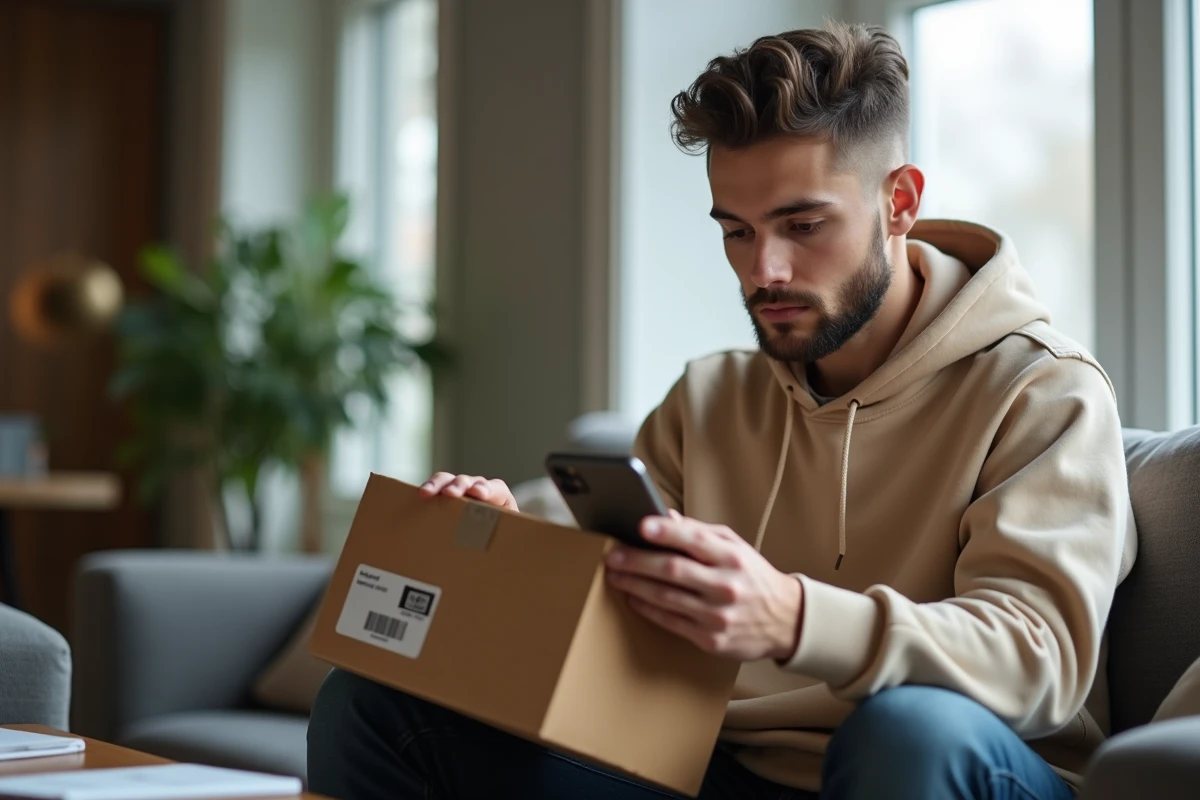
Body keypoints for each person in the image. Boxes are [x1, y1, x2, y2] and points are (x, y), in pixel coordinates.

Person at [307, 22, 1134, 800]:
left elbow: (1038, 660)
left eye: (802, 224)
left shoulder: (1041, 391)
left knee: (906, 732)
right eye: (736, 231)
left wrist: (794, 617)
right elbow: (615, 614)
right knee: (375, 704)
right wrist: (508, 552)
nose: (764, 270)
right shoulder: (710, 399)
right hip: (721, 768)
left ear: (900, 201)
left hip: (945, 767)